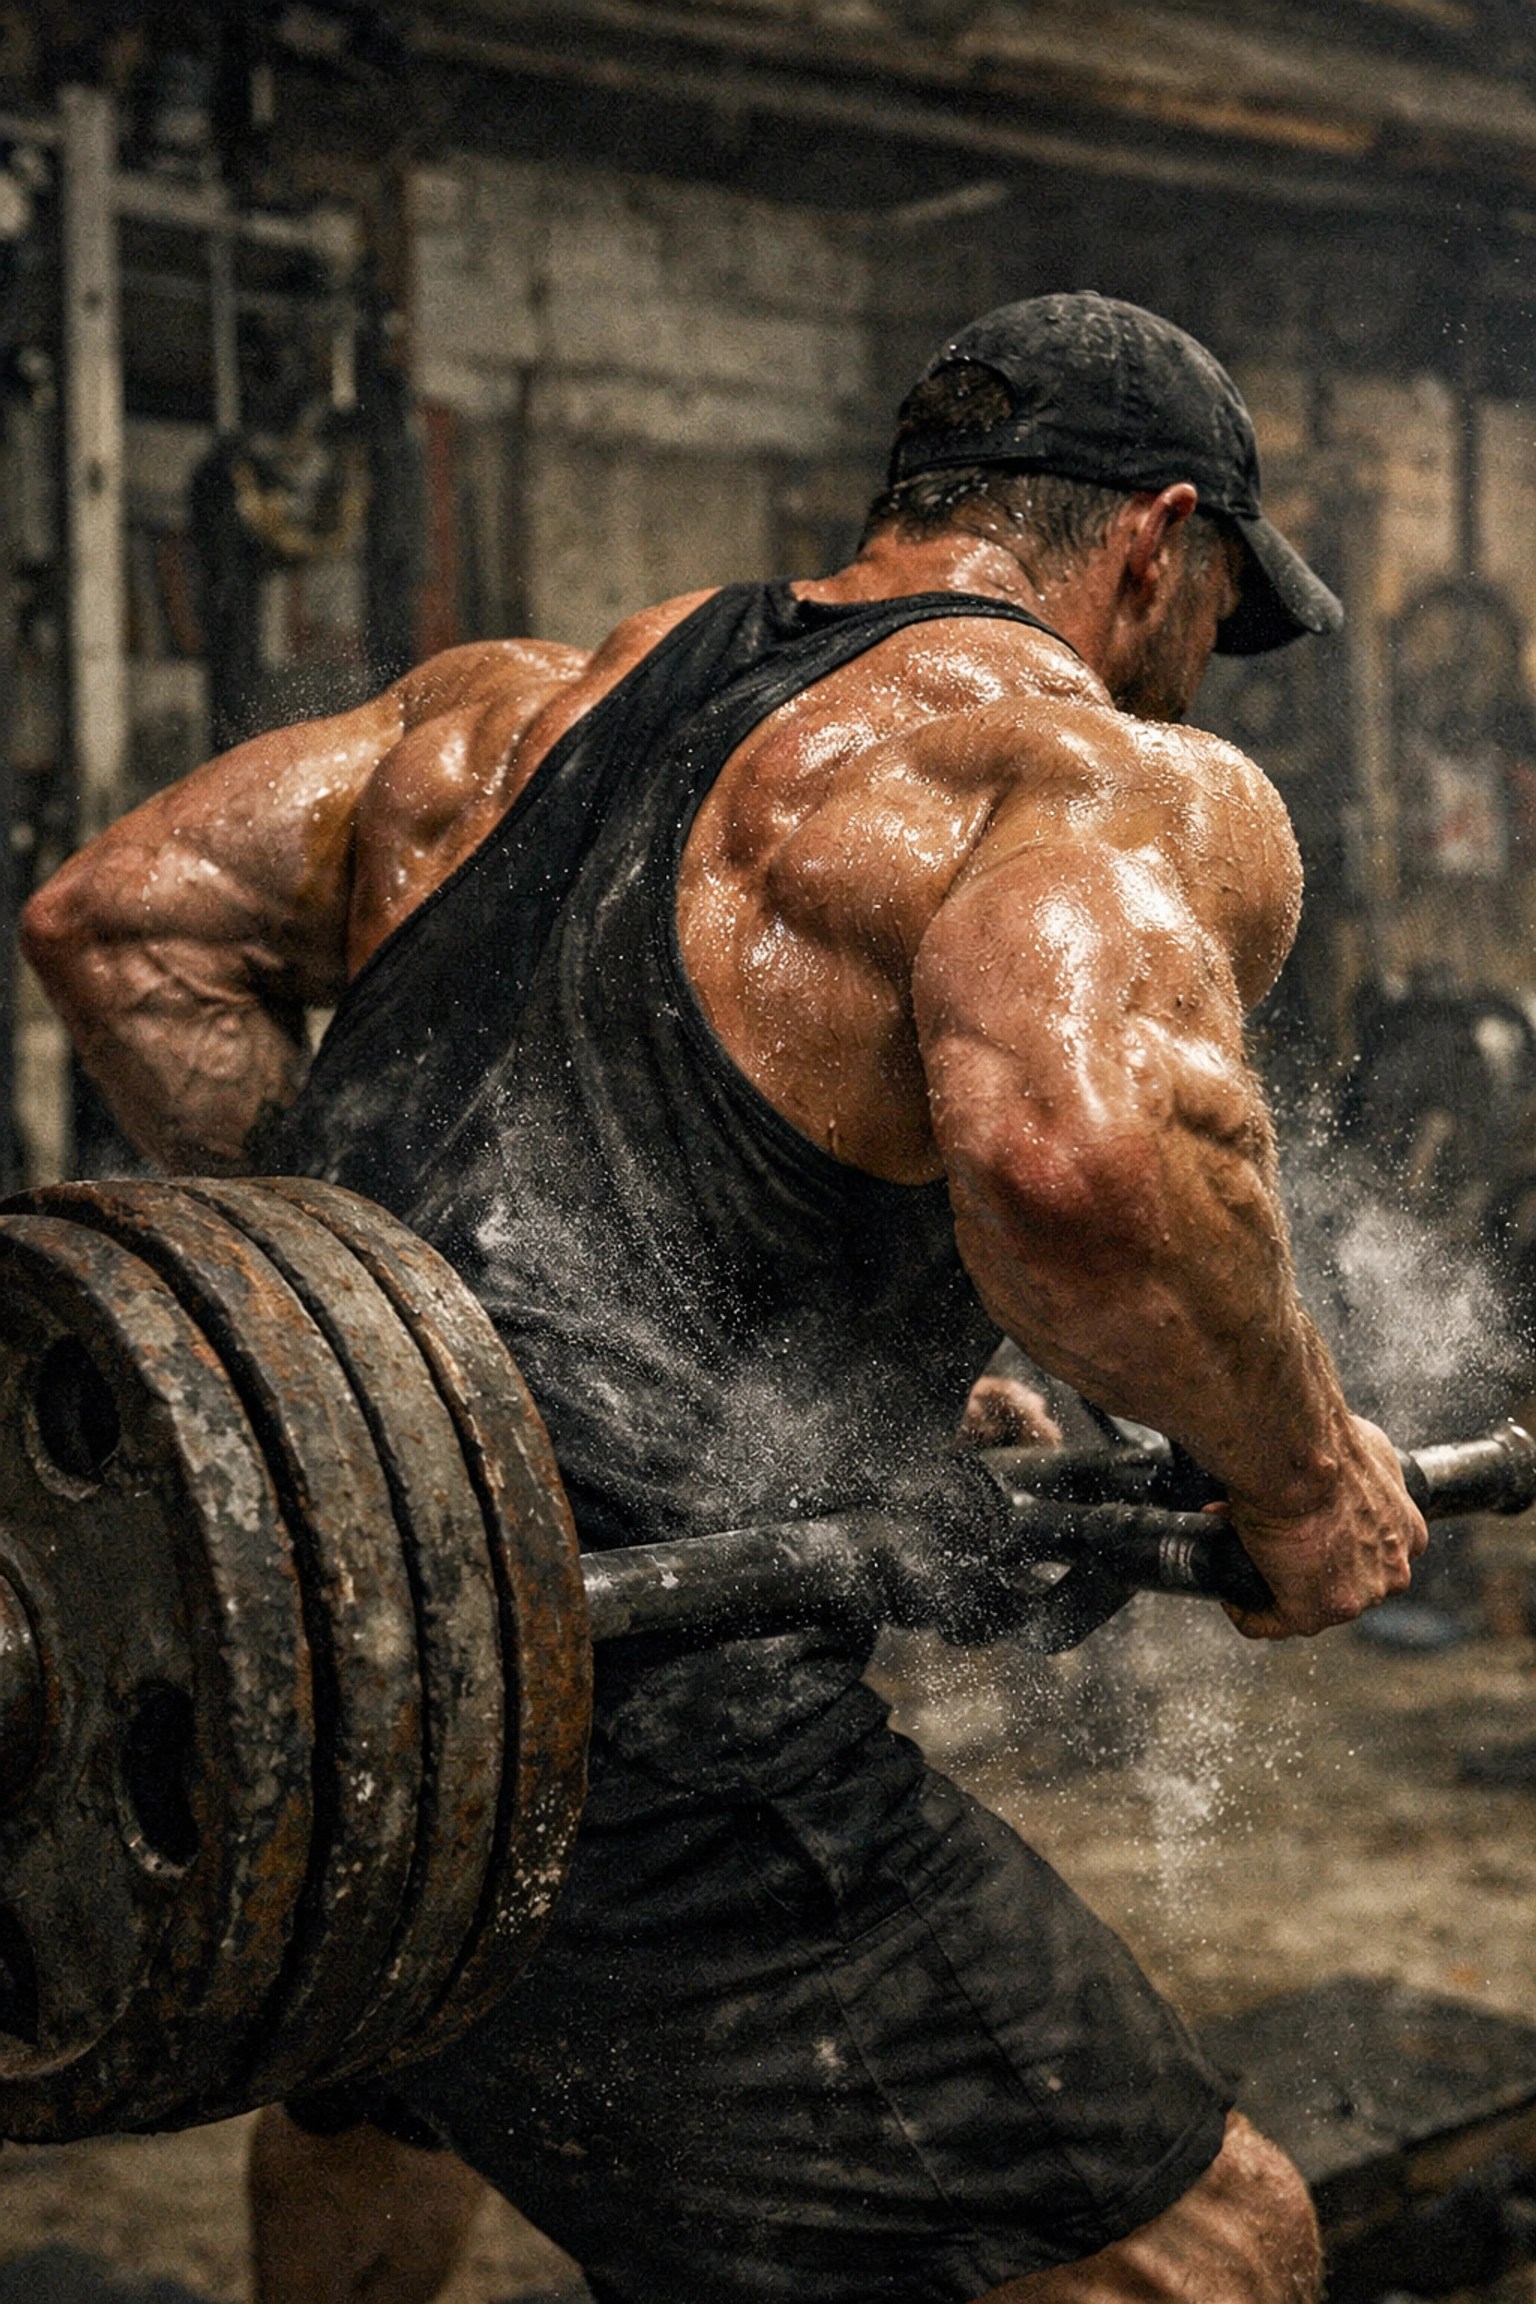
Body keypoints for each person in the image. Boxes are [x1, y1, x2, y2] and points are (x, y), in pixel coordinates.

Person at [23, 292, 1425, 2304]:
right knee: (1213, 2245)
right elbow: (1086, 1164)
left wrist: (356, 1414)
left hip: (321, 1700)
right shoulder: (1096, 771)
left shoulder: (512, 711)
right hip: (621, 1736)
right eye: (1219, 609)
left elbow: (122, 920)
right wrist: (1298, 1478)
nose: (1210, 664)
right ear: (1156, 539)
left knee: (373, 2054)